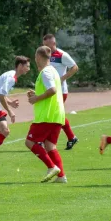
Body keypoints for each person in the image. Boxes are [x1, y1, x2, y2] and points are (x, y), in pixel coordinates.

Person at [25, 46, 66, 183]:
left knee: (29, 142)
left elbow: (52, 90)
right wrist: (36, 95)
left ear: (38, 57)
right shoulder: (53, 70)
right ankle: (61, 177)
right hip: (56, 115)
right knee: (50, 146)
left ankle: (51, 167)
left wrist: (36, 98)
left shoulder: (46, 72)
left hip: (47, 116)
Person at [43, 34, 79, 150]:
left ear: (53, 44)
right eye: (44, 45)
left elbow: (74, 67)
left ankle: (49, 140)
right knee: (57, 114)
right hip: (51, 89)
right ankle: (71, 137)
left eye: (47, 45)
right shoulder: (45, 55)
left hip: (60, 91)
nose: (45, 48)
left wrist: (62, 78)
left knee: (54, 115)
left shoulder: (62, 54)